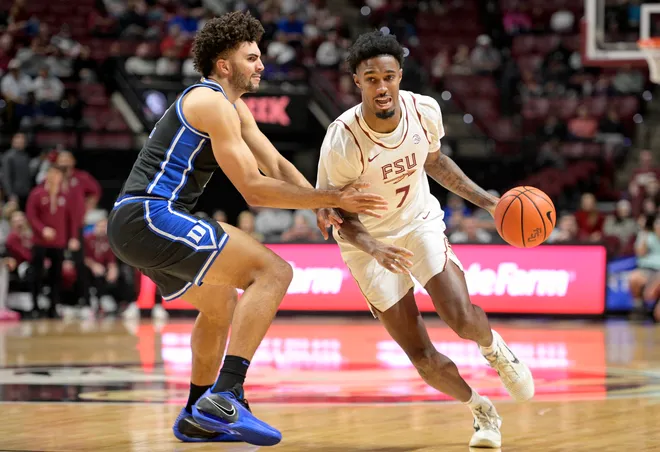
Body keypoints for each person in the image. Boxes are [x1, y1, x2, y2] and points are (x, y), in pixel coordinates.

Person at [106, 11, 387, 447]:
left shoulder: (232, 106)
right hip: (150, 214)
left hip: (136, 224)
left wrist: (319, 202)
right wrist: (331, 198)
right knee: (274, 272)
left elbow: (273, 164)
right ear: (224, 64)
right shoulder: (210, 102)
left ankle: (197, 413)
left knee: (219, 306)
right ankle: (227, 392)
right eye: (252, 57)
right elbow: (254, 190)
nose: (261, 65)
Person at [315, 31, 534, 449]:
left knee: (461, 316)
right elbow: (335, 211)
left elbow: (435, 163)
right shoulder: (342, 138)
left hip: (419, 222)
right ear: (357, 82)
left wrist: (490, 203)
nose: (382, 87)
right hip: (368, 245)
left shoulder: (423, 109)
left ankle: (494, 349)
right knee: (422, 358)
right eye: (372, 79)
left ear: (400, 76)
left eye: (389, 77)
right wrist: (375, 248)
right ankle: (481, 410)